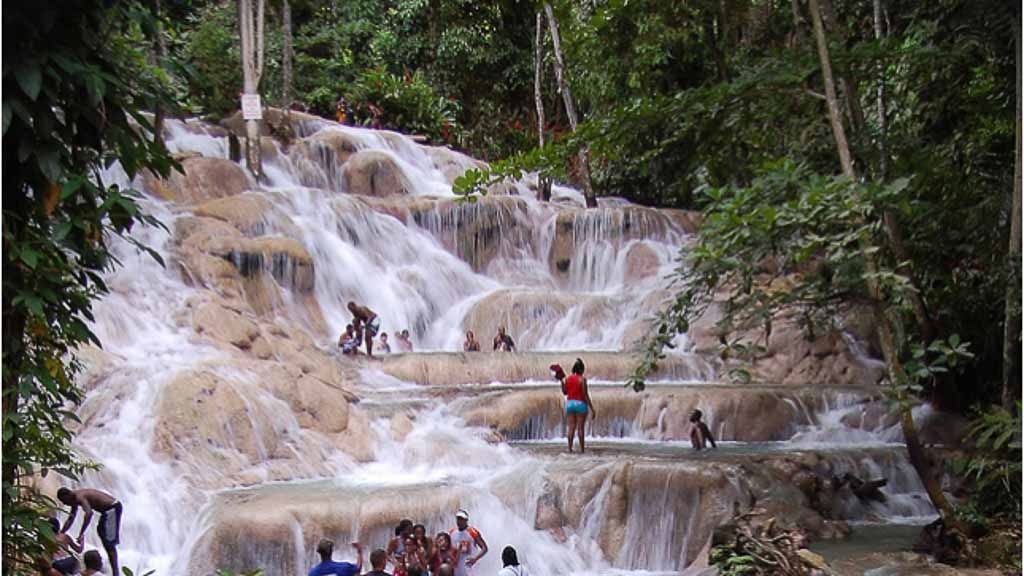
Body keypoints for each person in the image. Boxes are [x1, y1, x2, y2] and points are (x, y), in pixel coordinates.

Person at [56, 487, 122, 576]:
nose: (64, 504)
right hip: (106, 511)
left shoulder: (79, 497)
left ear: (68, 496)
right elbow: (71, 518)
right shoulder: (73, 499)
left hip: (112, 508)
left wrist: (81, 533)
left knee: (109, 541)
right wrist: (62, 532)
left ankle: (116, 573)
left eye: (64, 501)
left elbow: (89, 513)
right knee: (102, 532)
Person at [560, 358, 596, 454]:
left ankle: (570, 449)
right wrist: (592, 408)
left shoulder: (567, 379)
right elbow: (585, 395)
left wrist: (561, 382)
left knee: (571, 427)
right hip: (580, 404)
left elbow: (564, 392)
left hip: (570, 404)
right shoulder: (582, 380)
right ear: (582, 370)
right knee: (580, 428)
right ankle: (582, 450)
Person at [449, 510, 487, 576]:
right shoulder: (452, 532)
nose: (459, 521)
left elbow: (484, 548)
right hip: (457, 568)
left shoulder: (472, 532)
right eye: (458, 519)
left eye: (461, 519)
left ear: (466, 520)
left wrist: (475, 559)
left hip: (470, 567)